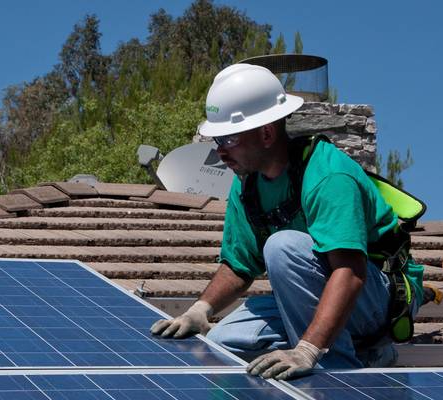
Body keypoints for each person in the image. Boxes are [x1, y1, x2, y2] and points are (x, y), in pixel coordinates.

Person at [150, 64, 422, 380]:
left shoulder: (328, 175)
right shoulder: (247, 183)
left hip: (379, 295)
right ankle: (350, 346)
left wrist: (307, 349)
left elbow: (350, 273)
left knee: (283, 247)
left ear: (266, 133)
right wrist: (201, 310)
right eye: (217, 140)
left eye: (229, 138)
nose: (220, 151)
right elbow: (239, 266)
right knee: (224, 342)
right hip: (323, 293)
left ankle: (341, 373)